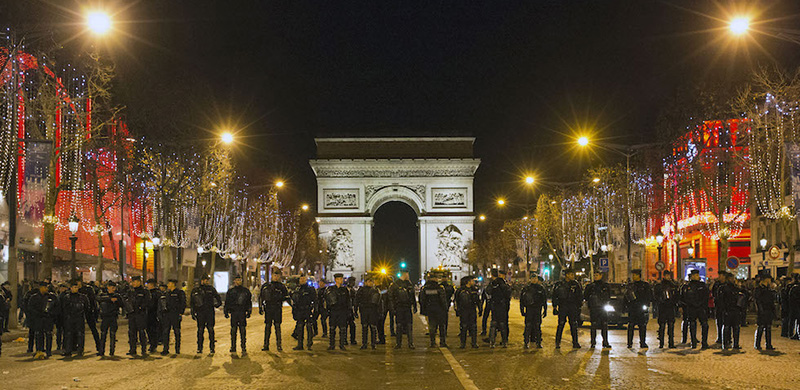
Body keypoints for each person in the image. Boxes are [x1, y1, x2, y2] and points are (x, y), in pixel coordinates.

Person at [260, 270, 291, 351]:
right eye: (274, 275)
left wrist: (293, 305)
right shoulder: (266, 286)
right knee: (267, 327)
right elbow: (261, 297)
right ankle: (266, 345)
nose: (276, 277)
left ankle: (279, 345)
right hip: (268, 308)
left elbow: (286, 297)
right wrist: (261, 307)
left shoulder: (282, 286)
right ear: (272, 276)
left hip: (277, 308)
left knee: (277, 327)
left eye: (277, 276)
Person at [190, 274, 222, 354]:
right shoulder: (196, 290)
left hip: (209, 312)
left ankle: (212, 348)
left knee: (210, 330)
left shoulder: (211, 289)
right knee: (200, 331)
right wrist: (193, 312)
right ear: (201, 280)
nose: (207, 281)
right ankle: (199, 348)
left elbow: (218, 298)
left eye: (208, 280)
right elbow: (192, 302)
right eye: (205, 280)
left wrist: (216, 305)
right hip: (200, 312)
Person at [552, 268, 583, 349]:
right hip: (563, 306)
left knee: (573, 325)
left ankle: (575, 342)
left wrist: (578, 306)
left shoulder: (575, 284)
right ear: (567, 275)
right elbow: (555, 296)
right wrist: (555, 307)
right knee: (561, 324)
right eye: (571, 274)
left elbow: (579, 296)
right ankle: (557, 342)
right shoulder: (559, 284)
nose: (573, 276)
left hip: (572, 306)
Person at [27, 281, 58, 359]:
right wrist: (38, 314)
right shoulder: (34, 297)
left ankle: (48, 351)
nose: (46, 289)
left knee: (48, 335)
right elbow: (30, 308)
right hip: (39, 319)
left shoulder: (51, 297)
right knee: (39, 335)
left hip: (48, 319)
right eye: (45, 287)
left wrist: (51, 314)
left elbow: (57, 307)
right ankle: (39, 351)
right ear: (41, 288)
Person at [388, 270, 417, 349]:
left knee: (409, 325)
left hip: (407, 307)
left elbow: (412, 296)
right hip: (399, 307)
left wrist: (414, 305)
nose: (408, 276)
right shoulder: (395, 285)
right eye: (407, 274)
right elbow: (390, 298)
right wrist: (392, 308)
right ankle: (399, 343)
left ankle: (410, 343)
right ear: (404, 274)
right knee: (399, 325)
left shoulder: (408, 284)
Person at [681, 269, 710, 349]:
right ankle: (693, 342)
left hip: (701, 307)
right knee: (692, 325)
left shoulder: (702, 285)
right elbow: (685, 297)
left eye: (698, 275)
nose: (698, 276)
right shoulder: (688, 286)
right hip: (692, 308)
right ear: (692, 276)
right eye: (696, 275)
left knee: (704, 324)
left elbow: (706, 296)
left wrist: (703, 305)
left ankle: (704, 342)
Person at [61, 280, 90, 357]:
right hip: (70, 318)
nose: (75, 289)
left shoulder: (83, 297)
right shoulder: (66, 297)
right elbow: (64, 308)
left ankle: (80, 350)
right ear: (71, 288)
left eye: (77, 287)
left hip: (79, 318)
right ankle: (68, 350)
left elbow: (87, 308)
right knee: (69, 334)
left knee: (80, 334)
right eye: (74, 287)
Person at [224, 275, 252, 354]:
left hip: (242, 312)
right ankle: (233, 347)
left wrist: (249, 311)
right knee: (233, 330)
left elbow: (249, 302)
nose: (238, 281)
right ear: (234, 281)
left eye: (239, 280)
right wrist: (226, 311)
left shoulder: (245, 291)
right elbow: (227, 302)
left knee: (242, 330)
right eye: (237, 280)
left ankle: (243, 346)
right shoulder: (231, 291)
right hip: (234, 312)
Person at [584, 270, 611, 349]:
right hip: (594, 308)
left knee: (604, 325)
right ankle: (593, 342)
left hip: (603, 308)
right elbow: (586, 296)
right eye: (594, 275)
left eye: (597, 275)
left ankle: (605, 341)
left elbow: (608, 295)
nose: (596, 277)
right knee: (593, 325)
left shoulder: (605, 286)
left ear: (601, 275)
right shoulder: (590, 286)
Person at [625, 269, 652, 349]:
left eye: (635, 275)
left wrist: (646, 305)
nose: (633, 276)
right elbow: (626, 297)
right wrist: (626, 306)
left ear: (639, 275)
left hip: (641, 308)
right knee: (631, 326)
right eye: (633, 275)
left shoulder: (645, 285)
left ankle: (642, 342)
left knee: (642, 326)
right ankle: (629, 343)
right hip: (632, 308)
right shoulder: (630, 285)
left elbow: (649, 296)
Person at [420, 273, 448, 348]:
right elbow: (443, 300)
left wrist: (424, 310)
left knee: (432, 326)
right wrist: (445, 308)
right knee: (441, 326)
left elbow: (422, 300)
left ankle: (432, 342)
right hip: (440, 309)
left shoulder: (425, 288)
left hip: (430, 310)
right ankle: (442, 342)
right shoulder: (440, 288)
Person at [520, 274, 547, 349]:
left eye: (535, 278)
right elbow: (522, 300)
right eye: (533, 278)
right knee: (528, 326)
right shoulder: (526, 288)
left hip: (537, 309)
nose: (534, 280)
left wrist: (545, 310)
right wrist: (522, 310)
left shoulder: (541, 288)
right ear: (530, 279)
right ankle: (526, 342)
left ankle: (538, 342)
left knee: (537, 326)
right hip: (529, 309)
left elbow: (544, 300)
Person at [325, 273, 352, 350]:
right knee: (332, 329)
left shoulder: (345, 290)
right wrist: (327, 311)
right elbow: (327, 301)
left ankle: (342, 345)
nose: (341, 280)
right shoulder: (331, 289)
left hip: (342, 311)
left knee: (343, 329)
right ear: (336, 280)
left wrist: (349, 311)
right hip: (334, 311)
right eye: (340, 279)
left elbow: (348, 301)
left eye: (342, 279)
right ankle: (332, 345)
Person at [126, 276, 151, 356]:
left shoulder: (144, 291)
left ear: (139, 282)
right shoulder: (130, 292)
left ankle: (143, 349)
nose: (133, 283)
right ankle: (132, 349)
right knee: (132, 332)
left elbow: (147, 302)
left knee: (141, 332)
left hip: (140, 314)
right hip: (132, 314)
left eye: (135, 281)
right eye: (132, 282)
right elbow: (126, 300)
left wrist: (141, 307)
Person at [97, 281, 123, 357]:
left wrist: (117, 300)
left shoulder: (117, 295)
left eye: (114, 287)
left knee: (112, 334)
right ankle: (101, 351)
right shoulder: (103, 294)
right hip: (105, 317)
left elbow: (122, 304)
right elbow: (98, 298)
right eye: (112, 287)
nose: (113, 289)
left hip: (113, 317)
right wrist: (110, 299)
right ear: (108, 287)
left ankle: (112, 351)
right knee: (103, 334)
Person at [454, 276, 482, 349]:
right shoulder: (460, 290)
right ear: (468, 282)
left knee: (473, 327)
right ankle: (463, 343)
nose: (473, 282)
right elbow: (456, 301)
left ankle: (474, 343)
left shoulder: (474, 290)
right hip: (464, 311)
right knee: (464, 327)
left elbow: (478, 300)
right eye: (472, 280)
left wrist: (480, 309)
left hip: (472, 310)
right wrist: (457, 310)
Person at [355, 275, 381, 349]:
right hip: (364, 310)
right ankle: (364, 343)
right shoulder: (361, 290)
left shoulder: (376, 290)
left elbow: (379, 302)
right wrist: (356, 310)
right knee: (364, 327)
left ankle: (373, 343)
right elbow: (357, 300)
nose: (371, 283)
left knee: (373, 327)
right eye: (370, 281)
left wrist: (379, 312)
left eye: (372, 281)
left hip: (373, 311)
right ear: (366, 282)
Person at [720, 273, 745, 350]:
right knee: (727, 327)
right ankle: (726, 343)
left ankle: (735, 344)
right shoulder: (723, 288)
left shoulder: (735, 288)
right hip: (728, 310)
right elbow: (720, 300)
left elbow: (745, 294)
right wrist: (724, 309)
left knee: (736, 327)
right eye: (732, 278)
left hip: (735, 309)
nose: (733, 280)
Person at [160, 279, 186, 355]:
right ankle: (165, 349)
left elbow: (183, 303)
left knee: (177, 332)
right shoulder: (167, 293)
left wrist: (181, 313)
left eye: (169, 283)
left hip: (175, 315)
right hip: (167, 315)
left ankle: (177, 349)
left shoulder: (179, 293)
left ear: (173, 284)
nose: (168, 285)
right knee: (165, 332)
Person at [654, 270, 679, 349]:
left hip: (670, 308)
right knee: (662, 326)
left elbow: (676, 295)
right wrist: (660, 301)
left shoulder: (673, 285)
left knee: (671, 326)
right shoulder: (660, 285)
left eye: (669, 275)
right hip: (663, 308)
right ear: (664, 276)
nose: (668, 277)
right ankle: (661, 343)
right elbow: (656, 296)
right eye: (666, 275)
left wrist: (674, 303)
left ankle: (671, 343)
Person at [291, 274, 316, 350]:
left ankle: (309, 344)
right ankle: (300, 344)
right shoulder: (297, 289)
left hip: (307, 310)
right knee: (300, 328)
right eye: (301, 279)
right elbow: (293, 300)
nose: (302, 280)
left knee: (309, 327)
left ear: (306, 280)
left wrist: (314, 310)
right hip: (299, 310)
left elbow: (314, 300)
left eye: (303, 279)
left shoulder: (310, 289)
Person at [488, 269, 512, 348]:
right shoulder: (503, 284)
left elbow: (488, 291)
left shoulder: (493, 283)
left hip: (495, 305)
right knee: (502, 324)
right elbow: (508, 294)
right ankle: (504, 341)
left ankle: (492, 341)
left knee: (494, 324)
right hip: (502, 306)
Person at [753, 273, 777, 350]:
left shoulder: (768, 289)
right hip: (763, 311)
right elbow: (758, 301)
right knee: (761, 327)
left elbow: (771, 300)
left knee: (768, 328)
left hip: (768, 310)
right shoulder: (758, 289)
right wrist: (761, 310)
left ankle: (768, 344)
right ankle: (757, 344)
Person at [77, 280, 101, 354]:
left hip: (89, 311)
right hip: (80, 312)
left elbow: (93, 300)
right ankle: (79, 347)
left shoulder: (88, 289)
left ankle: (99, 345)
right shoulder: (78, 290)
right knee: (80, 330)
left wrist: (93, 309)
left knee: (93, 328)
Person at [145, 279, 161, 353]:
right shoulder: (148, 293)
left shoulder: (157, 293)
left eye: (148, 284)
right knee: (148, 330)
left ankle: (153, 345)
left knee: (153, 330)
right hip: (148, 314)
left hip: (154, 314)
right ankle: (152, 343)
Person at [712, 272, 727, 344]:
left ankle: (727, 338)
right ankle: (720, 337)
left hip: (726, 306)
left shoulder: (727, 284)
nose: (719, 277)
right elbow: (713, 292)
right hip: (718, 306)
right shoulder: (716, 284)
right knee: (719, 322)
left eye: (720, 276)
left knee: (727, 323)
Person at [346, 276, 358, 345]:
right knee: (345, 325)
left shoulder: (353, 290)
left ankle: (352, 339)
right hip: (346, 309)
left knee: (352, 325)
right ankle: (345, 339)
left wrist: (355, 311)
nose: (353, 283)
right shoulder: (345, 289)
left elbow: (354, 301)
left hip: (350, 309)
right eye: (352, 282)